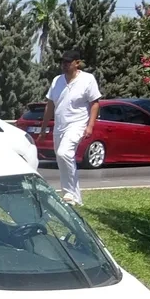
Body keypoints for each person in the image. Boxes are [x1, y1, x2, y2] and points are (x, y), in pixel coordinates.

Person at [38, 48, 102, 206]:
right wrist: (44, 128)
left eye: (68, 62)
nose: (64, 65)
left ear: (77, 63)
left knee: (64, 153)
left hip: (77, 124)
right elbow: (50, 105)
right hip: (60, 125)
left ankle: (70, 193)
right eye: (63, 62)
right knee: (61, 158)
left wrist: (90, 126)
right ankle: (73, 196)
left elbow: (95, 103)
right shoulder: (57, 81)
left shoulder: (87, 79)